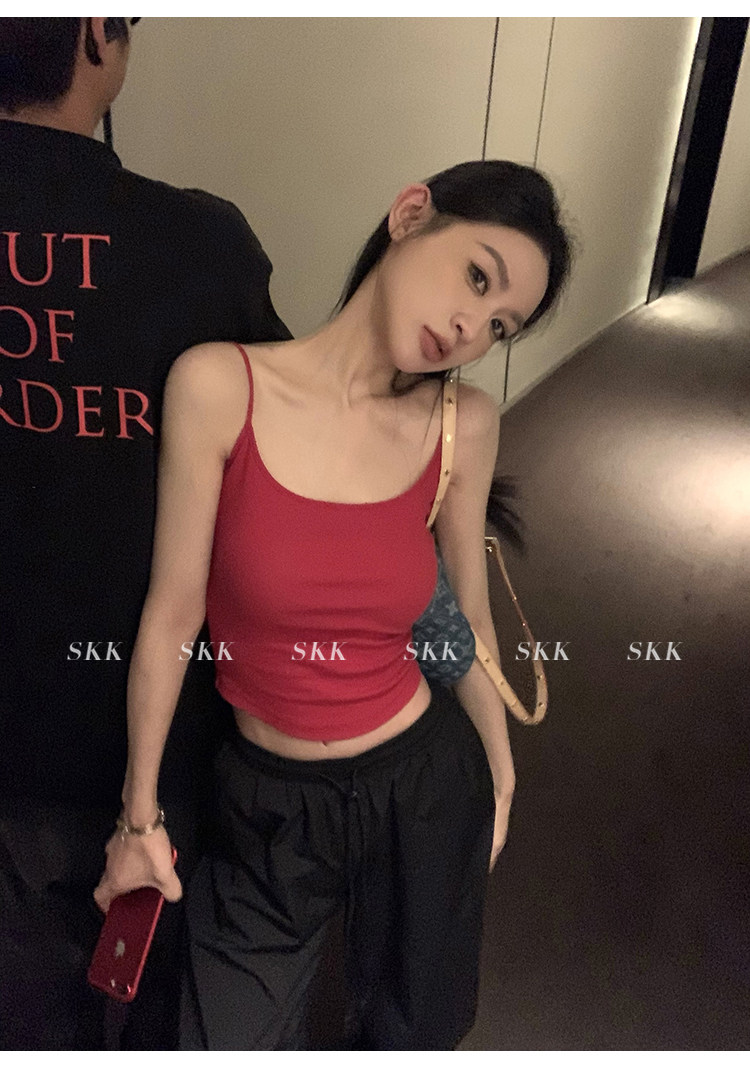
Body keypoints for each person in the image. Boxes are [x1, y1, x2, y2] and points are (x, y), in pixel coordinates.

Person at [94, 157, 571, 1050]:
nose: (470, 328)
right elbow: (172, 619)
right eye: (478, 277)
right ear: (411, 214)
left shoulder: (462, 425)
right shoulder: (219, 387)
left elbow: (465, 619)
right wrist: (138, 819)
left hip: (422, 784)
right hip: (269, 801)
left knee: (410, 1031)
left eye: (499, 327)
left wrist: (501, 771)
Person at [0, 17, 290, 1050]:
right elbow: (281, 452)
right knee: (138, 989)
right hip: (139, 725)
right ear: (96, 33)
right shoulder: (198, 244)